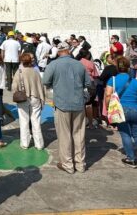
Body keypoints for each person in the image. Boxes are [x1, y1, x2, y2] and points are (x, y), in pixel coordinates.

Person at [43, 42, 94, 173]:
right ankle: (80, 164)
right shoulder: (79, 64)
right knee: (79, 134)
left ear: (59, 51)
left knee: (64, 135)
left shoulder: (53, 64)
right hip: (78, 103)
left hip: (62, 103)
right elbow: (88, 83)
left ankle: (68, 164)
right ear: (69, 51)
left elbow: (46, 81)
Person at [105, 56, 137, 168]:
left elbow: (108, 95)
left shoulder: (113, 80)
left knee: (125, 134)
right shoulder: (135, 82)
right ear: (128, 68)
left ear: (117, 67)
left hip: (122, 110)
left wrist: (108, 108)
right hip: (136, 110)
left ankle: (131, 159)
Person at [12, 53, 47, 150]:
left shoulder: (19, 72)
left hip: (23, 98)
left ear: (22, 61)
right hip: (35, 97)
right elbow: (41, 86)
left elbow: (14, 87)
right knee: (36, 121)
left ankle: (25, 143)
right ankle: (39, 144)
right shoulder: (35, 71)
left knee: (24, 121)